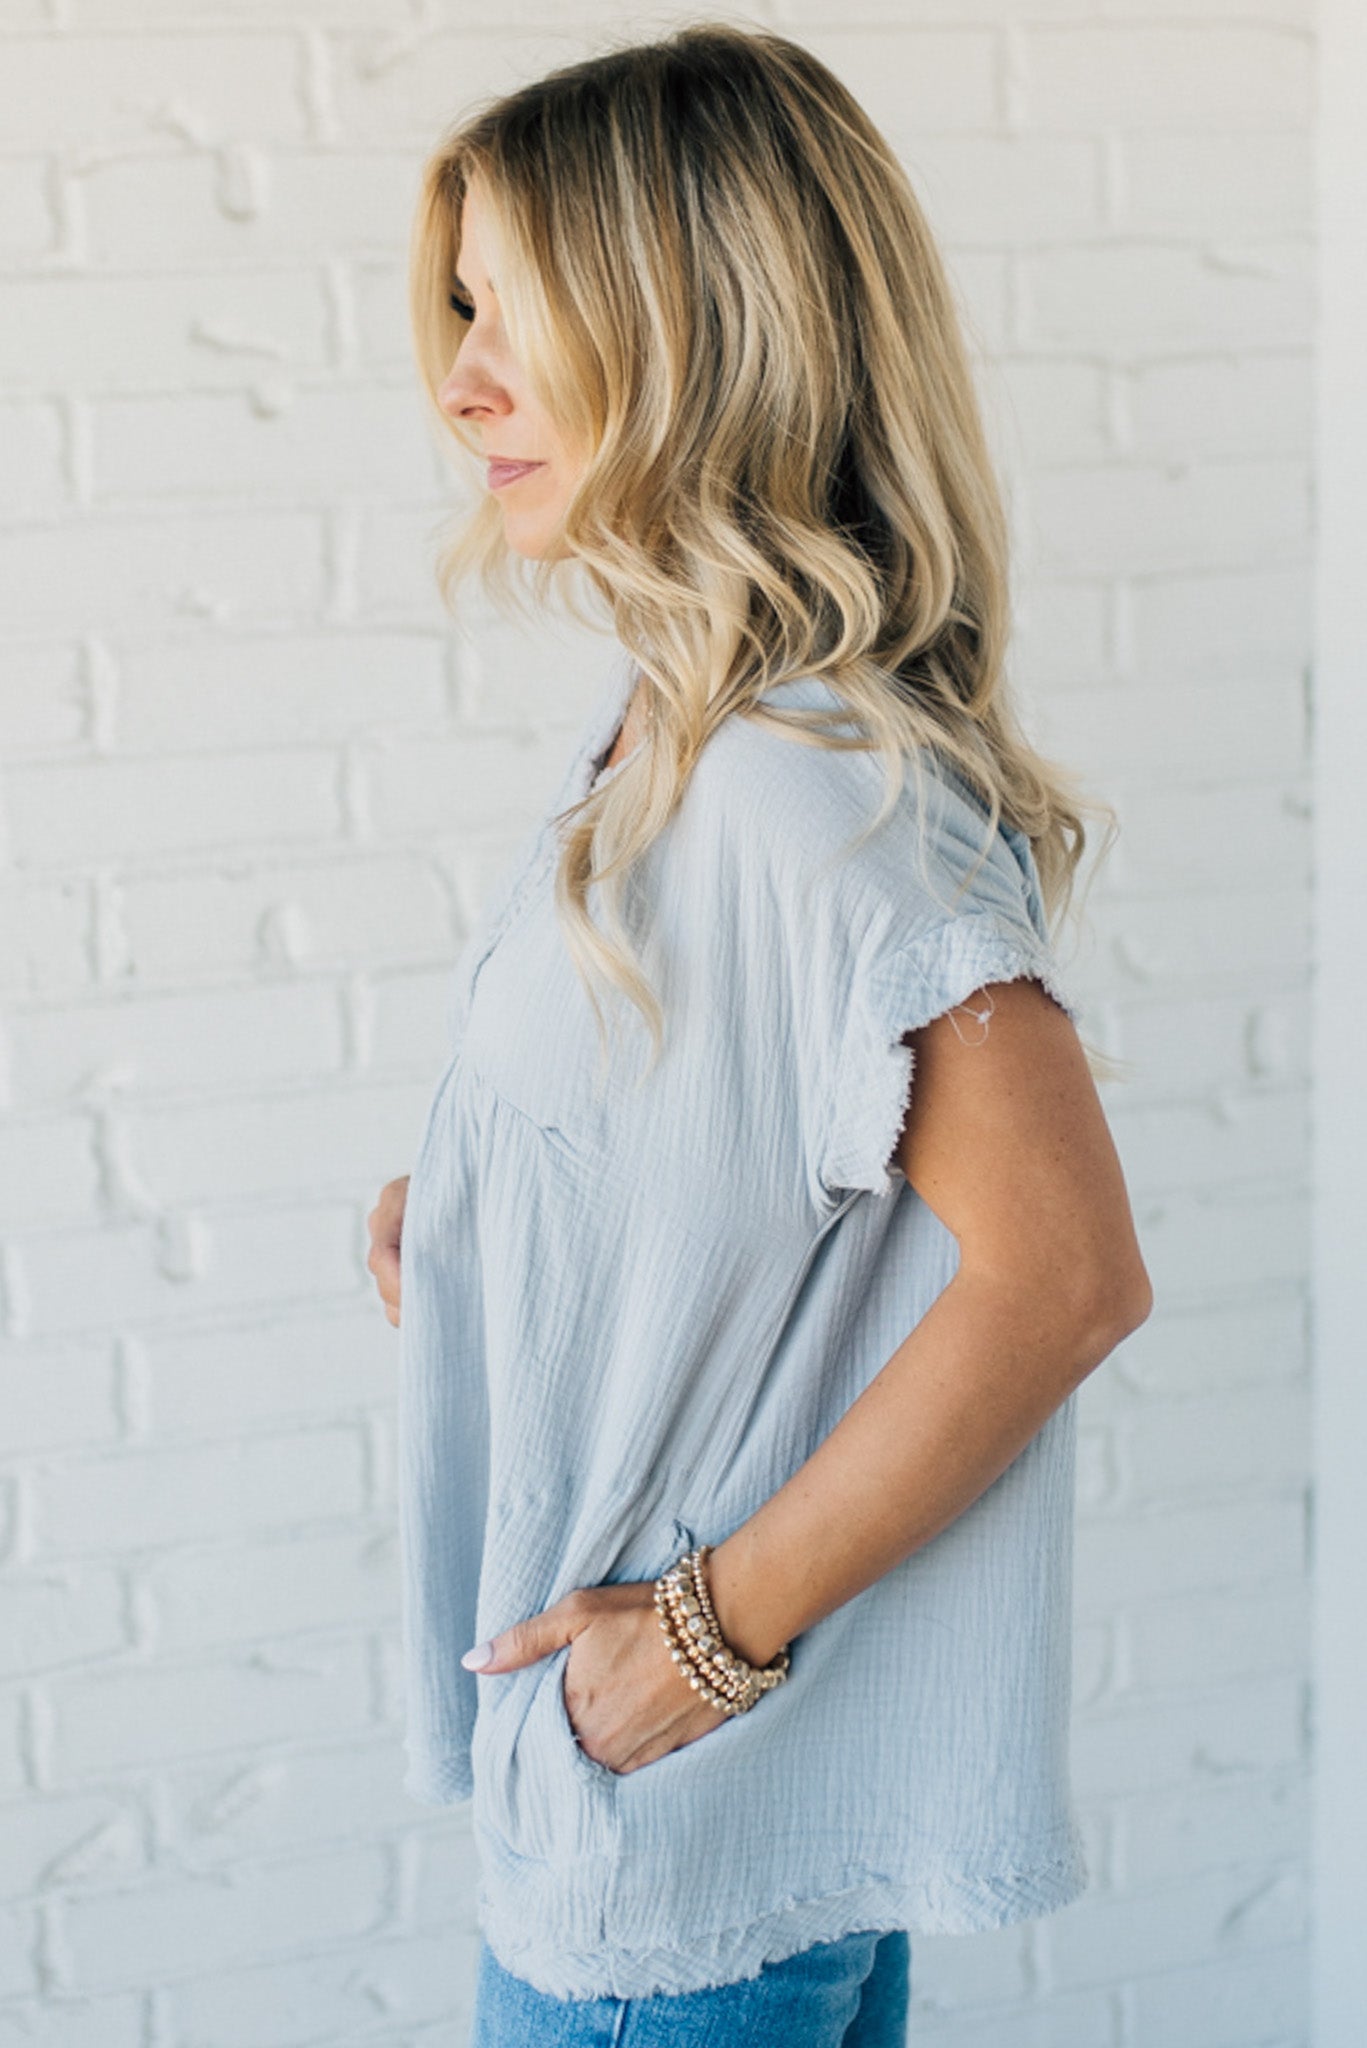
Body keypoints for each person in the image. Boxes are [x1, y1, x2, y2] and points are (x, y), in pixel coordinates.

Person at [367, 22, 1153, 2046]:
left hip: (666, 1868)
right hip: (695, 1845)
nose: (461, 381)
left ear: (697, 336)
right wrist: (486, 1214)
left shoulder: (797, 789)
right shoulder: (674, 734)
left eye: (515, 315)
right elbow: (768, 1179)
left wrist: (701, 1641)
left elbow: (1062, 1272)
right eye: (460, 312)